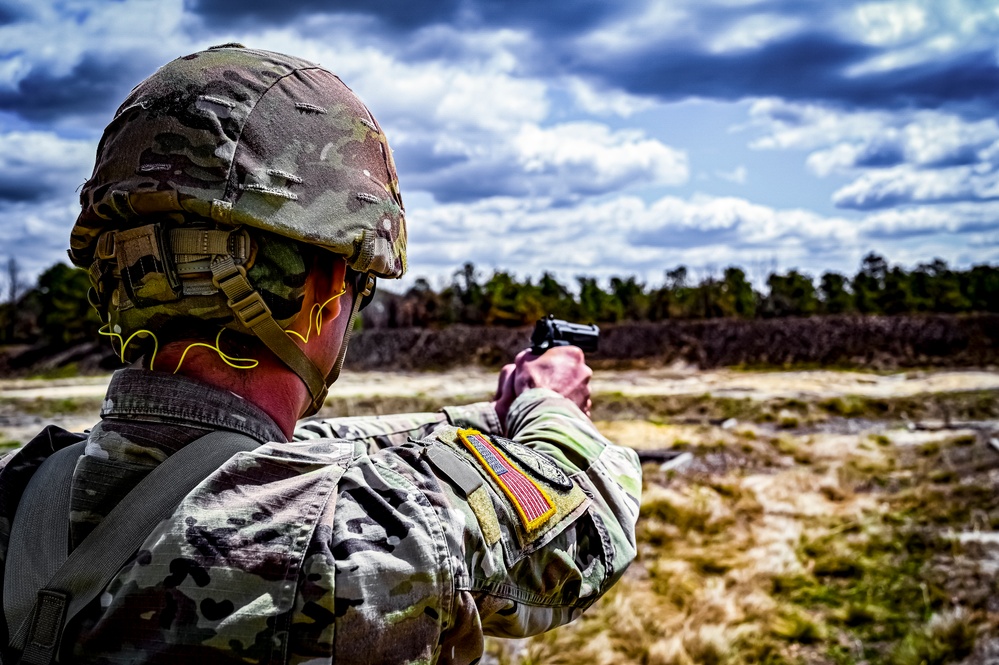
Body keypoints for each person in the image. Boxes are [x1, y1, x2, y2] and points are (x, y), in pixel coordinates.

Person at [0, 45, 641, 664]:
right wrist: (548, 403)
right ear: (329, 284)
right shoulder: (357, 544)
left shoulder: (23, 490)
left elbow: (270, 452)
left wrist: (481, 416)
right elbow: (585, 504)